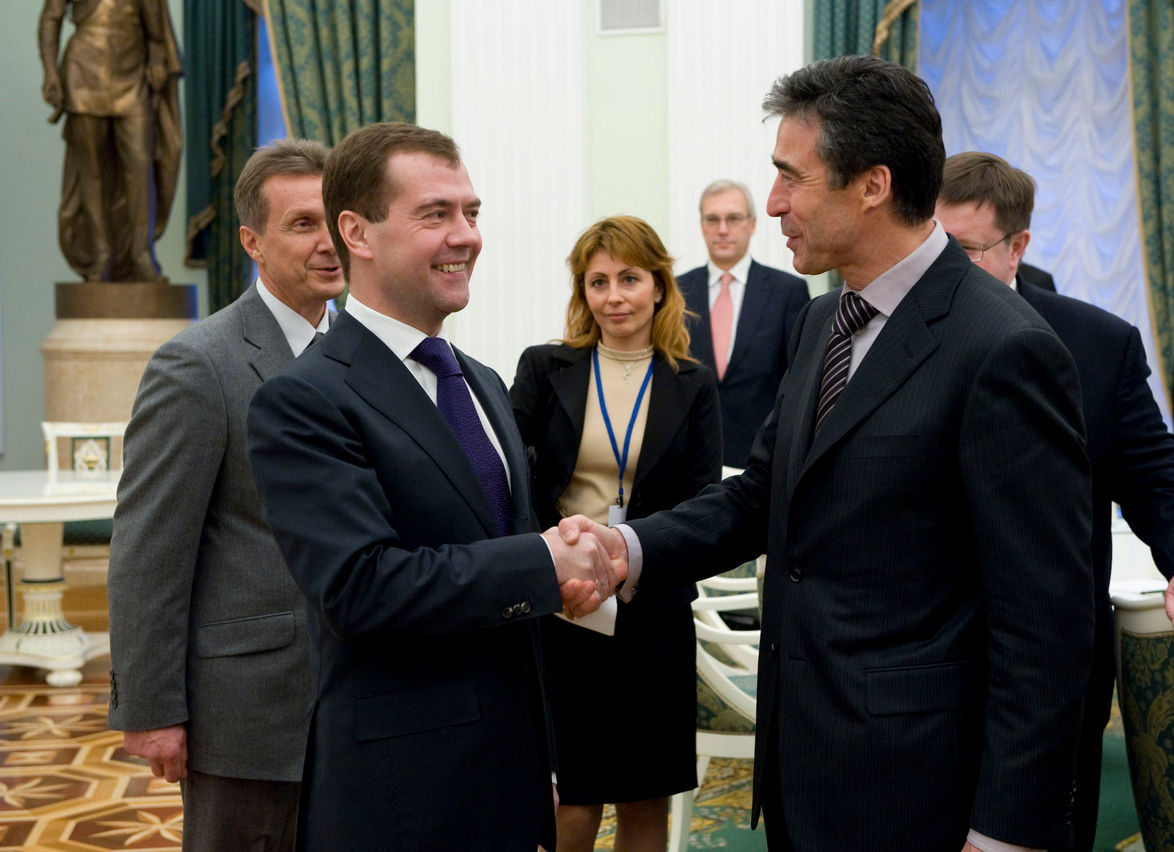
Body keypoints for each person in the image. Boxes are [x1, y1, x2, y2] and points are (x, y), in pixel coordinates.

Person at [562, 55, 1093, 851]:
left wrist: (1005, 832)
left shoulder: (1003, 348)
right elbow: (763, 494)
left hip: (920, 787)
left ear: (872, 184)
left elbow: (1045, 622)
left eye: (790, 176)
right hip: (804, 762)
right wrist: (626, 546)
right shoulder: (822, 322)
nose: (771, 203)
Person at [245, 122, 619, 852]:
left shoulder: (477, 379)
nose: (466, 236)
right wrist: (544, 562)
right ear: (356, 231)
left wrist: (570, 563)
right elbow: (361, 588)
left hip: (508, 781)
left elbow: (501, 544)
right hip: (399, 798)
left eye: (471, 213)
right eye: (435, 215)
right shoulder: (306, 399)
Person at [935, 150, 1174, 852]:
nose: (940, 270)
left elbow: (1158, 475)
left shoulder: (1094, 344)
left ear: (1018, 248)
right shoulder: (885, 334)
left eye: (962, 250)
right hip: (911, 659)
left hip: (1045, 666)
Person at [107, 138, 343, 851]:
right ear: (252, 241)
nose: (329, 240)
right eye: (303, 224)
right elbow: (149, 551)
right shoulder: (197, 364)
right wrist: (151, 711)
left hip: (360, 701)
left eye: (338, 218)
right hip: (248, 714)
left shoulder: (366, 354)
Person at [510, 216, 722, 851]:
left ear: (659, 285)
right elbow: (515, 483)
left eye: (629, 279)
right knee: (572, 801)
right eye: (597, 282)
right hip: (566, 607)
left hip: (649, 610)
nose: (614, 296)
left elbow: (705, 501)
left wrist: (636, 564)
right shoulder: (547, 368)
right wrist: (552, 565)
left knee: (643, 798)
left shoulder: (692, 382)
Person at [38, 0, 182, 282]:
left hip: (132, 74)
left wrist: (157, 57)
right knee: (91, 172)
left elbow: (155, 25)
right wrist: (50, 71)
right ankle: (101, 253)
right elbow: (50, 18)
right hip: (83, 72)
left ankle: (142, 254)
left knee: (141, 167)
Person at [677, 180, 809, 467]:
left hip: (762, 460)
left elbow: (799, 381)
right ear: (702, 226)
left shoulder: (787, 291)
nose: (722, 229)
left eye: (733, 219)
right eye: (712, 219)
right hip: (688, 461)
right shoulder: (676, 293)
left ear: (751, 224)